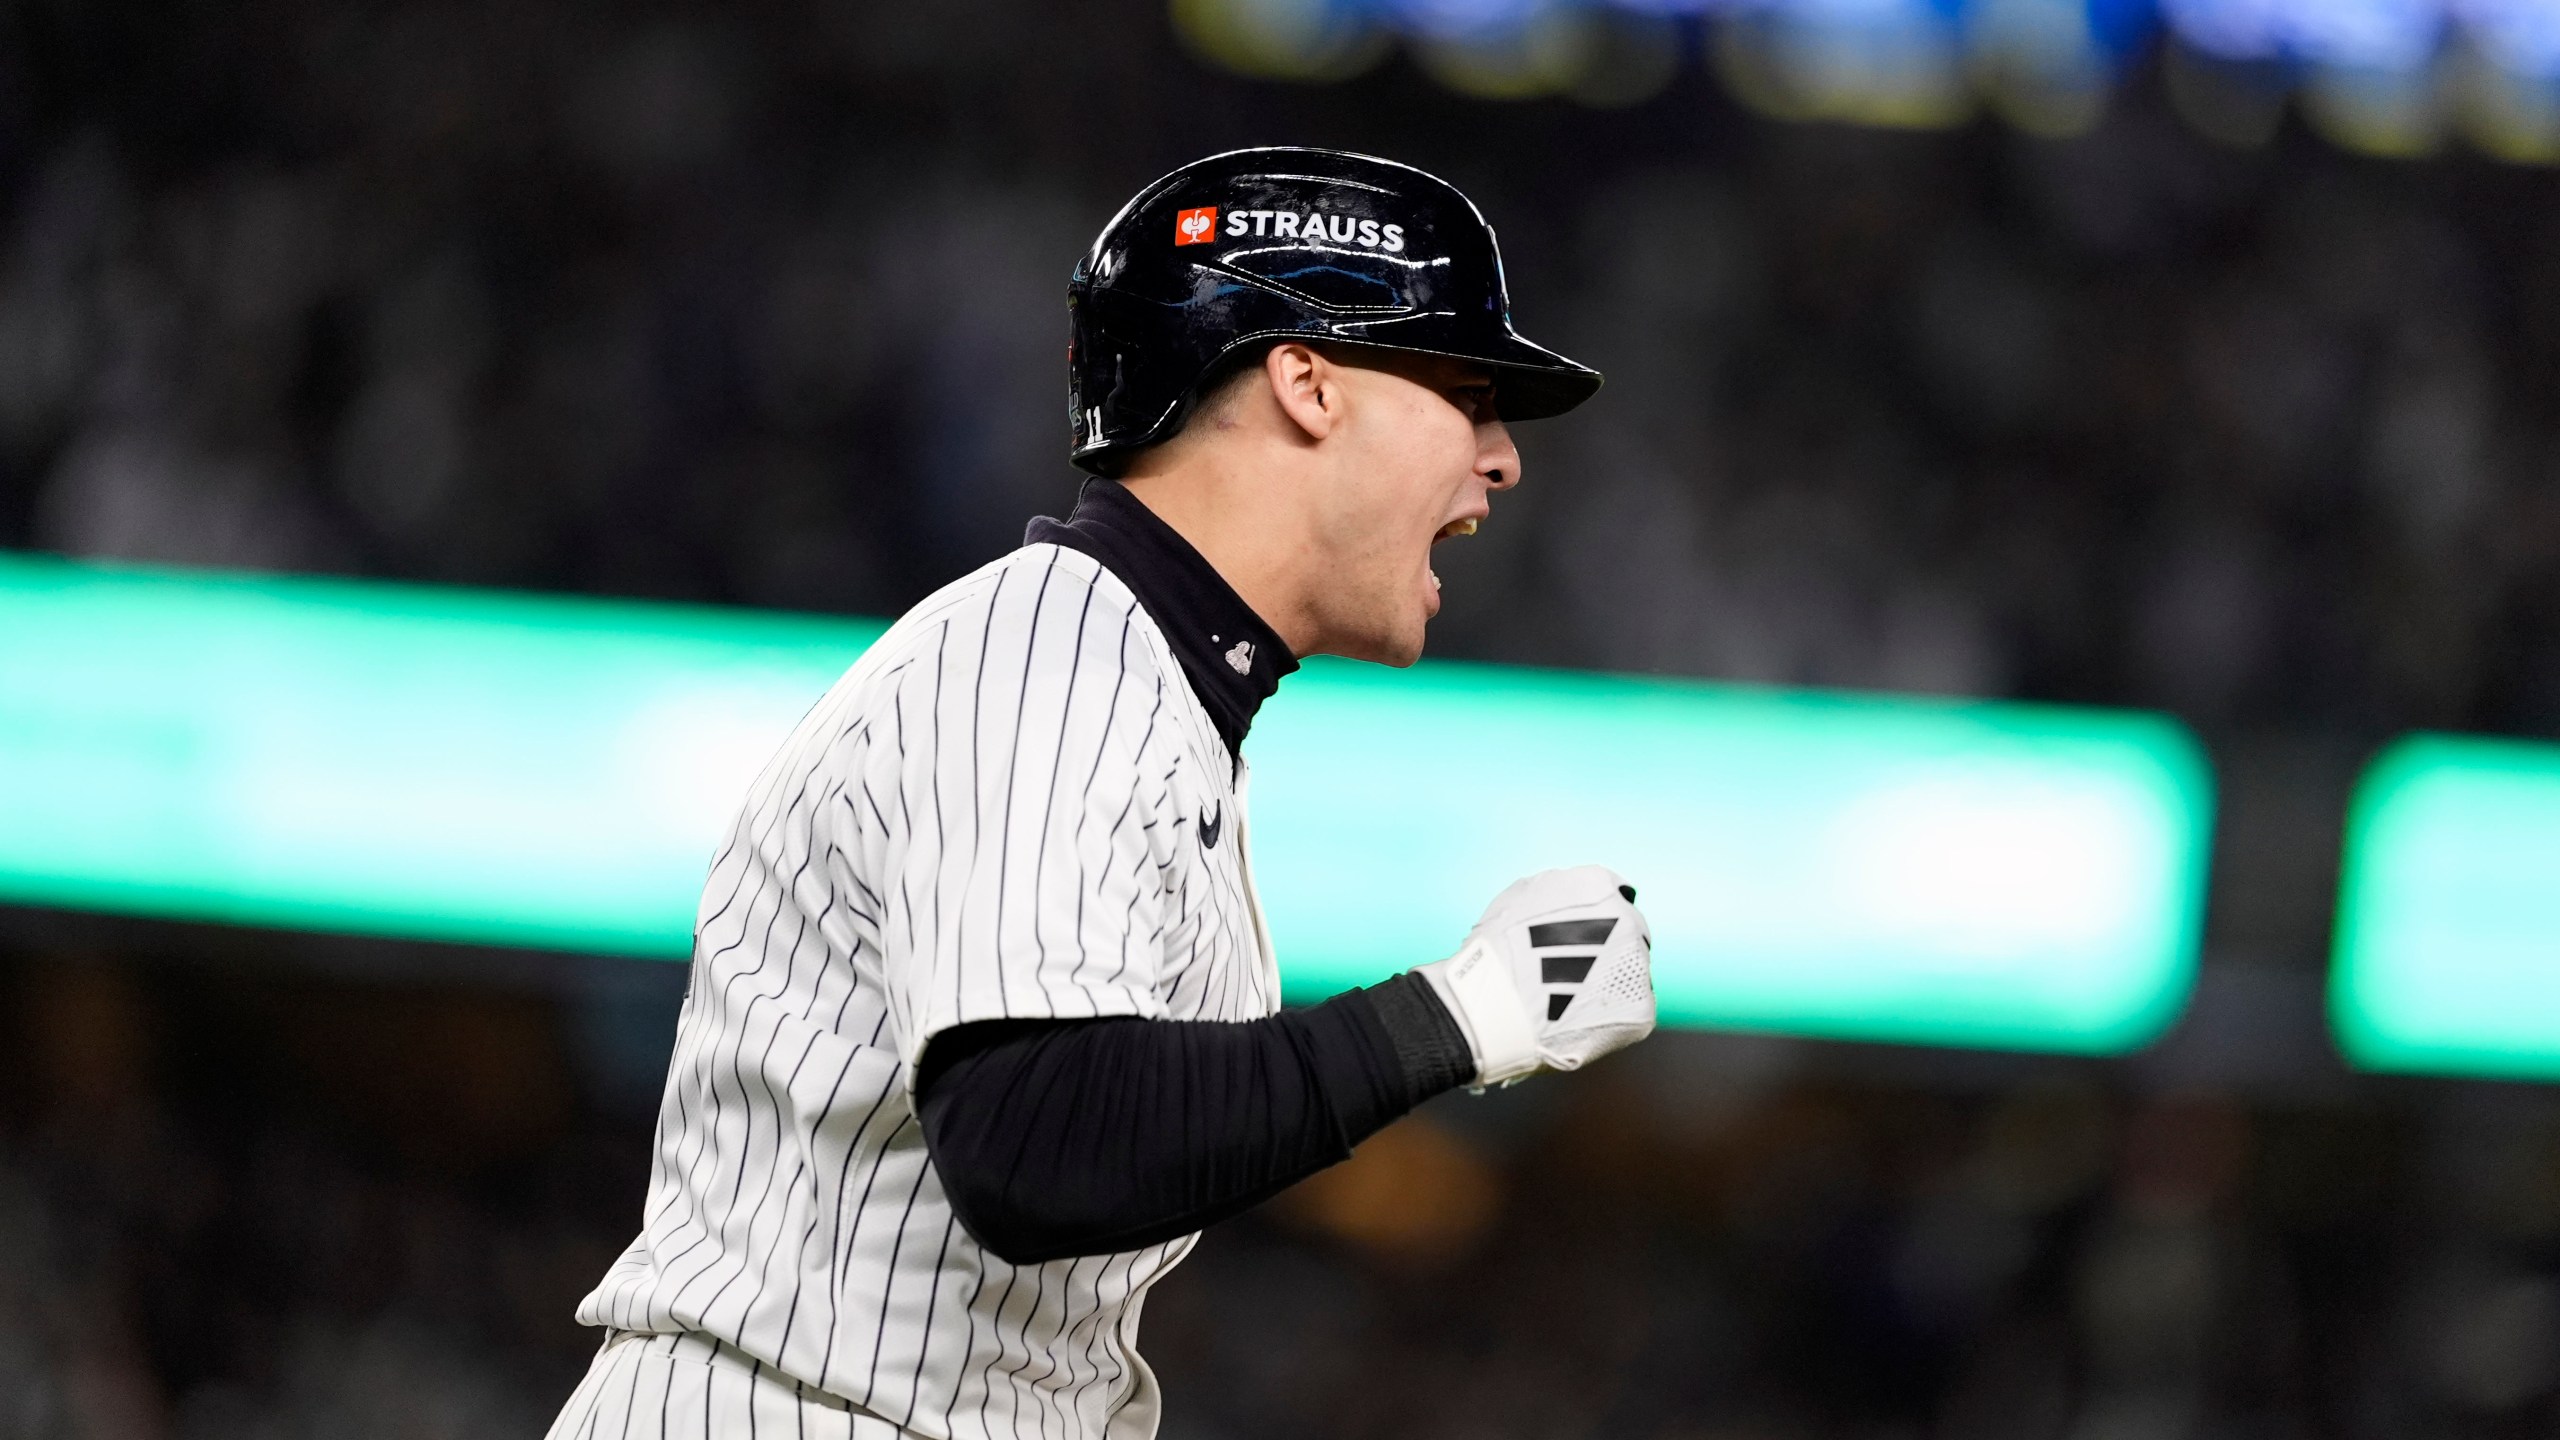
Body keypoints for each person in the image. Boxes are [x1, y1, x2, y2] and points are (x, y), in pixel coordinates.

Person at [545, 147, 1659, 1440]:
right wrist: (1458, 1015)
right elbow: (1039, 1144)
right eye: (1465, 391)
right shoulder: (1051, 653)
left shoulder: (1150, 690)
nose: (1501, 460)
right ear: (1306, 384)